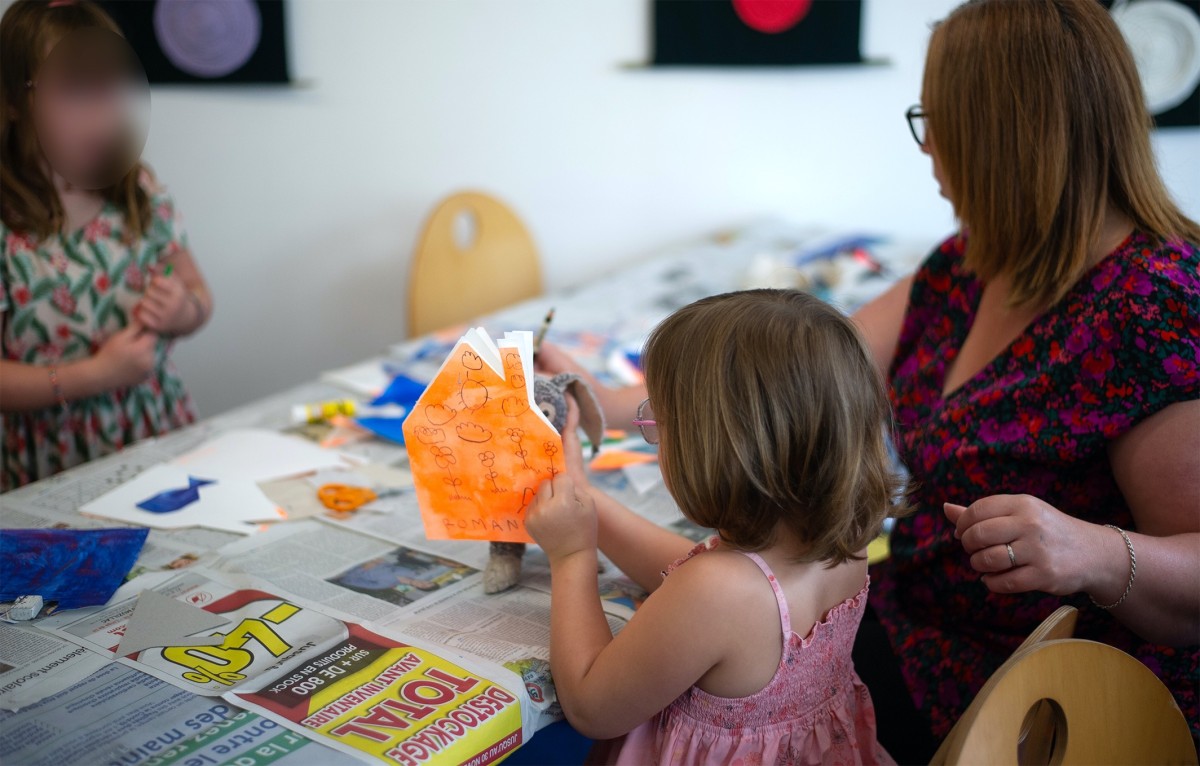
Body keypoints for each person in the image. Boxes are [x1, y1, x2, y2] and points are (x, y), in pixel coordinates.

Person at [541, 1, 1200, 759]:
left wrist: (1096, 552)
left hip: (1029, 703)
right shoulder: (974, 260)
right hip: (891, 618)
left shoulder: (1156, 304)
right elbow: (798, 372)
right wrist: (600, 401)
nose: (929, 157)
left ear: (1002, 139)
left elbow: (607, 688)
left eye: (934, 125)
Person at [527, 289, 902, 765]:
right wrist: (584, 494)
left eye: (659, 425)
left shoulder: (716, 593)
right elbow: (691, 578)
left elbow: (590, 707)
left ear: (715, 450)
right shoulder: (843, 545)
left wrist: (572, 556)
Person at [0, 0, 212, 492]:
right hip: (54, 463)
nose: (102, 109)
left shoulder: (138, 190)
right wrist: (95, 374)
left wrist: (185, 310)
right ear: (12, 98)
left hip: (161, 436)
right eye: (75, 90)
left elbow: (200, 293)